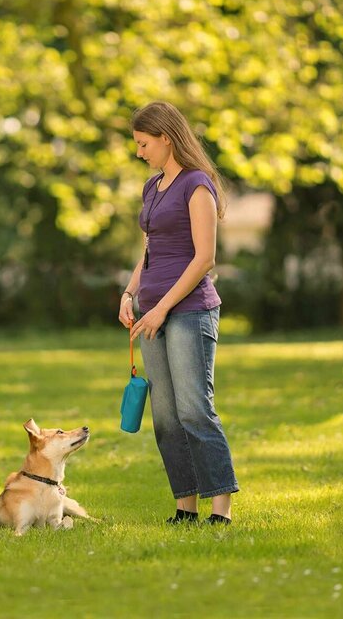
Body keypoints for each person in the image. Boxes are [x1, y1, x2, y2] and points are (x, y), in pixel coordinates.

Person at [118, 101, 238, 525]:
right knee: (166, 417)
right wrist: (130, 293)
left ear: (166, 138)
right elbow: (150, 250)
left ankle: (220, 508)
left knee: (193, 410)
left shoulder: (197, 184)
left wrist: (162, 308)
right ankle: (185, 507)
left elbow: (205, 257)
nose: (139, 152)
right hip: (152, 311)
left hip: (188, 311)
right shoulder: (153, 187)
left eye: (144, 143)